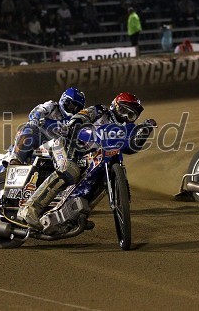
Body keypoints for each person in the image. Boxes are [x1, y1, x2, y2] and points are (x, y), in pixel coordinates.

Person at [17, 92, 157, 229]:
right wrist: (74, 124)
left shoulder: (128, 127)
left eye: (130, 114)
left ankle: (74, 216)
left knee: (100, 181)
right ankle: (29, 209)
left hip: (92, 157)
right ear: (114, 105)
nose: (125, 116)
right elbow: (80, 117)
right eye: (123, 110)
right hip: (69, 145)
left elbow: (131, 147)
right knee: (69, 170)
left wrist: (144, 131)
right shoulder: (99, 110)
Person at [8, 87, 86, 165]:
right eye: (72, 106)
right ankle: (16, 159)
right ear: (64, 100)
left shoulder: (77, 120)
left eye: (77, 109)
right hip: (40, 141)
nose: (73, 110)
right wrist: (36, 119)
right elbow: (37, 112)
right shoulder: (51, 106)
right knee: (29, 128)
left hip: (58, 147)